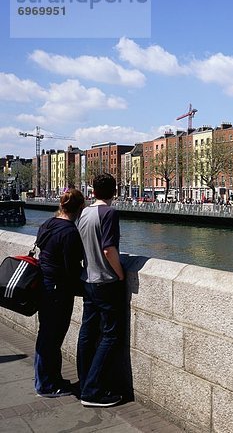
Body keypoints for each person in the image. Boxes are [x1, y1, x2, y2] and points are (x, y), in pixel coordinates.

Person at [76, 173, 126, 408]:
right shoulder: (109, 213)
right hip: (105, 282)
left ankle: (85, 383)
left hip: (88, 280)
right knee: (110, 335)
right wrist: (120, 273)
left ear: (93, 191)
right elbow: (109, 249)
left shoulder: (84, 213)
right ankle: (93, 391)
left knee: (87, 334)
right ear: (113, 191)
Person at [34, 188, 86, 397]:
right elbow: (72, 269)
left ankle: (47, 378)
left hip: (44, 285)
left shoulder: (48, 224)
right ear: (80, 208)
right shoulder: (70, 232)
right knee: (53, 337)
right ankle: (46, 384)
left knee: (46, 335)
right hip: (58, 290)